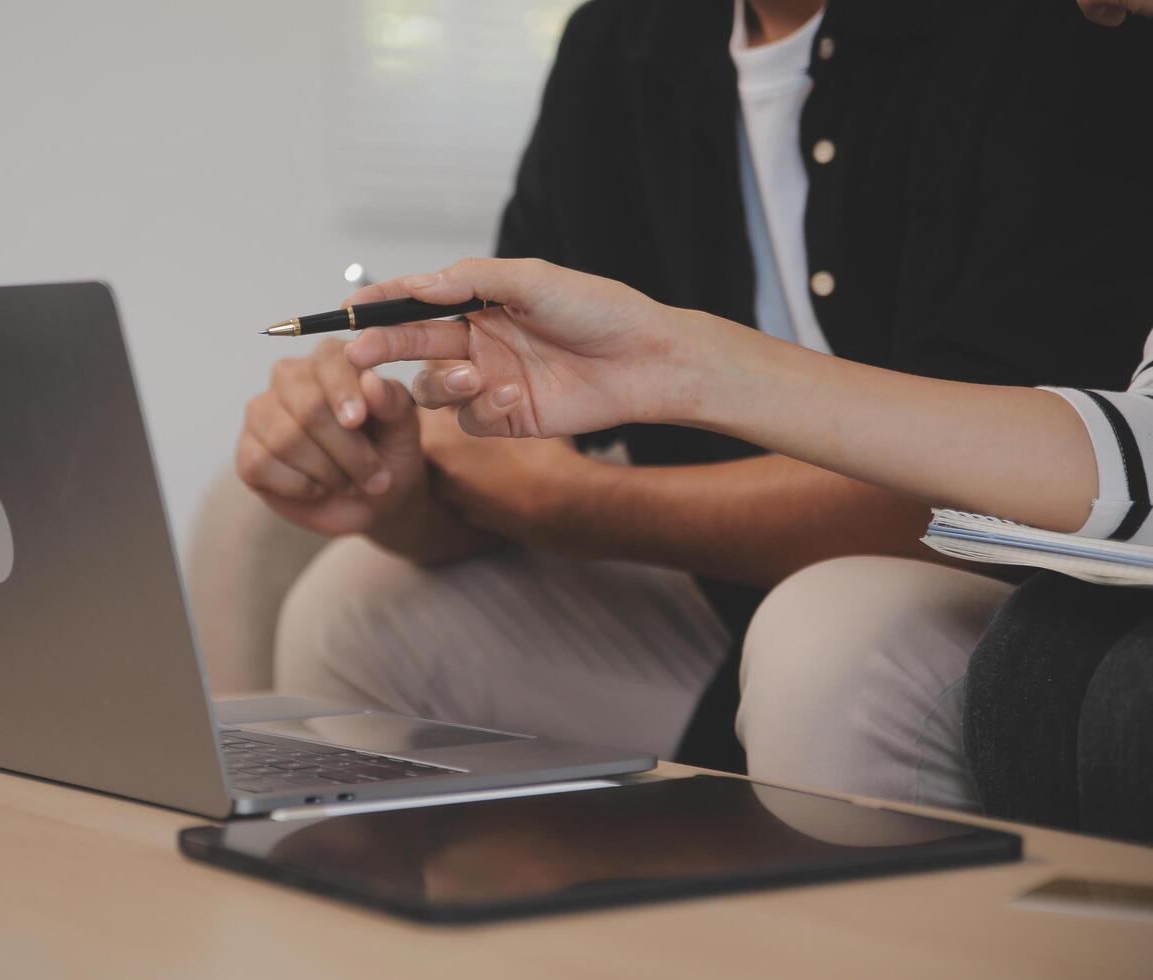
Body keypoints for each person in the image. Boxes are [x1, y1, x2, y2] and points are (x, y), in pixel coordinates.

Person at [232, 0, 1153, 805]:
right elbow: (504, 459)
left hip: (988, 591)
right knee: (353, 597)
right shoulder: (618, 43)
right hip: (714, 592)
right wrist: (400, 489)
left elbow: (1030, 489)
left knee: (826, 633)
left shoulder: (1061, 31)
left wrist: (585, 499)